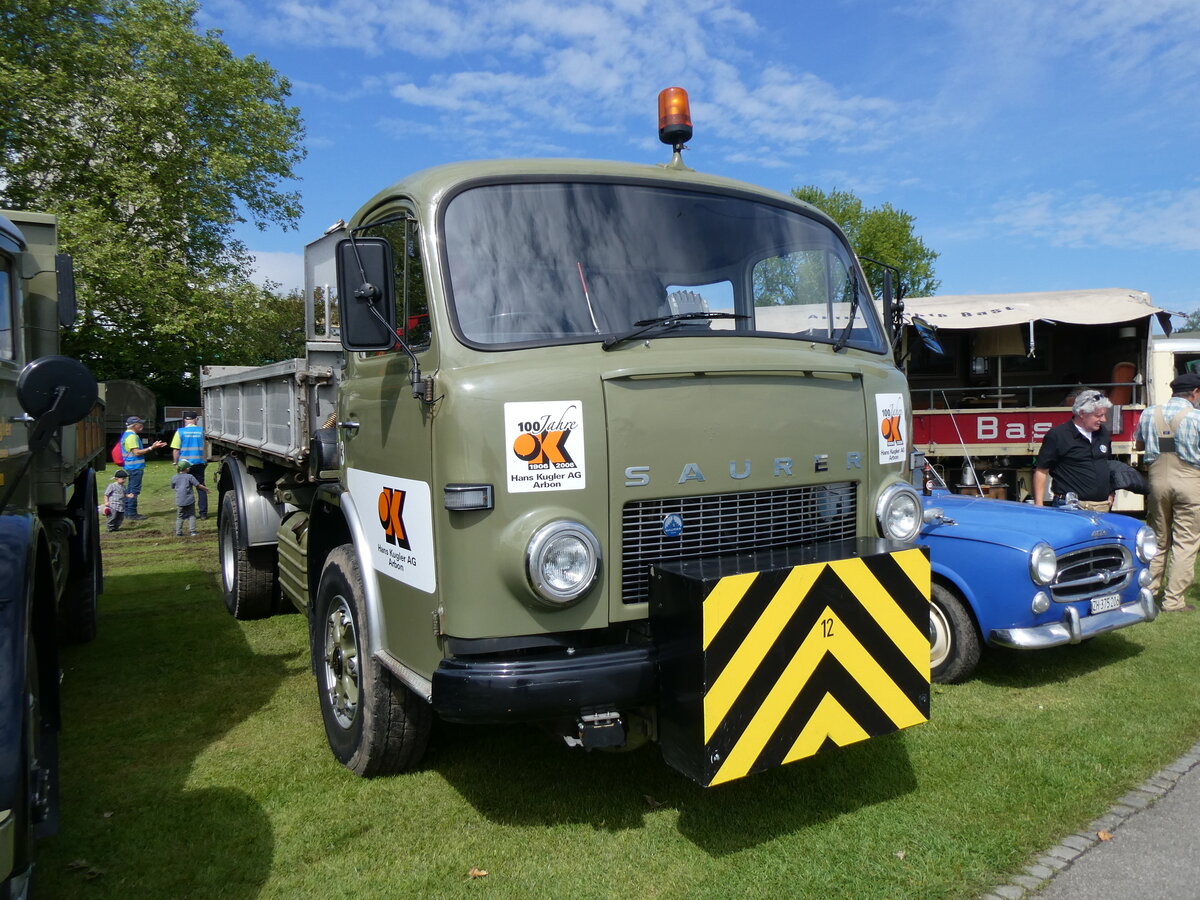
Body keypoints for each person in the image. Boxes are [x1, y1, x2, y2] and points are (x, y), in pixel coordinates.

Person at [1134, 373, 1200, 612]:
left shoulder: (1150, 413)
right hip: (1190, 480)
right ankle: (1173, 601)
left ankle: (1148, 592)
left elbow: (1139, 445)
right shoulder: (1197, 417)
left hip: (1157, 479)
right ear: (1194, 393)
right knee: (1186, 541)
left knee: (1158, 539)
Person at [1032, 388, 1114, 512]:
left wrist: (1112, 493)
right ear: (1082, 413)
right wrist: (1038, 505)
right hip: (1071, 507)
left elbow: (1109, 465)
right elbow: (1041, 471)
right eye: (1098, 415)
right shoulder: (1058, 435)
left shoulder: (1103, 433)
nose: (1103, 420)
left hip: (1102, 507)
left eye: (1104, 415)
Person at [120, 415, 166, 520]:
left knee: (130, 490)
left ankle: (127, 512)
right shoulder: (132, 436)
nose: (142, 425)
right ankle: (131, 513)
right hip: (135, 467)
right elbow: (136, 453)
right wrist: (152, 448)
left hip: (131, 466)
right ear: (134, 426)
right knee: (134, 490)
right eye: (140, 423)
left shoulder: (127, 435)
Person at [171, 411, 208, 519]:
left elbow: (176, 449)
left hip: (184, 465)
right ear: (196, 419)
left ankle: (186, 513)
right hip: (199, 463)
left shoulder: (180, 432)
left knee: (184, 488)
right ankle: (203, 513)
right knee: (201, 487)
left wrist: (175, 462)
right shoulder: (202, 431)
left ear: (184, 420)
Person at [170, 460, 209, 537]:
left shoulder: (174, 478)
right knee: (191, 515)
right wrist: (206, 489)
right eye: (189, 467)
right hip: (189, 500)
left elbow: (172, 486)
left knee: (180, 516)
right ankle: (192, 531)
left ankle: (178, 532)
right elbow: (198, 485)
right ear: (186, 469)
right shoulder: (190, 477)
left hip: (179, 500)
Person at [103, 468, 130, 532]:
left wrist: (128, 495)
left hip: (121, 504)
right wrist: (106, 502)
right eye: (122, 479)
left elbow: (124, 494)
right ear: (116, 479)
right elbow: (106, 494)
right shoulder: (112, 486)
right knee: (113, 516)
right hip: (113, 504)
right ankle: (110, 527)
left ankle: (116, 527)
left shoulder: (123, 486)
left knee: (120, 517)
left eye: (125, 479)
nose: (124, 480)